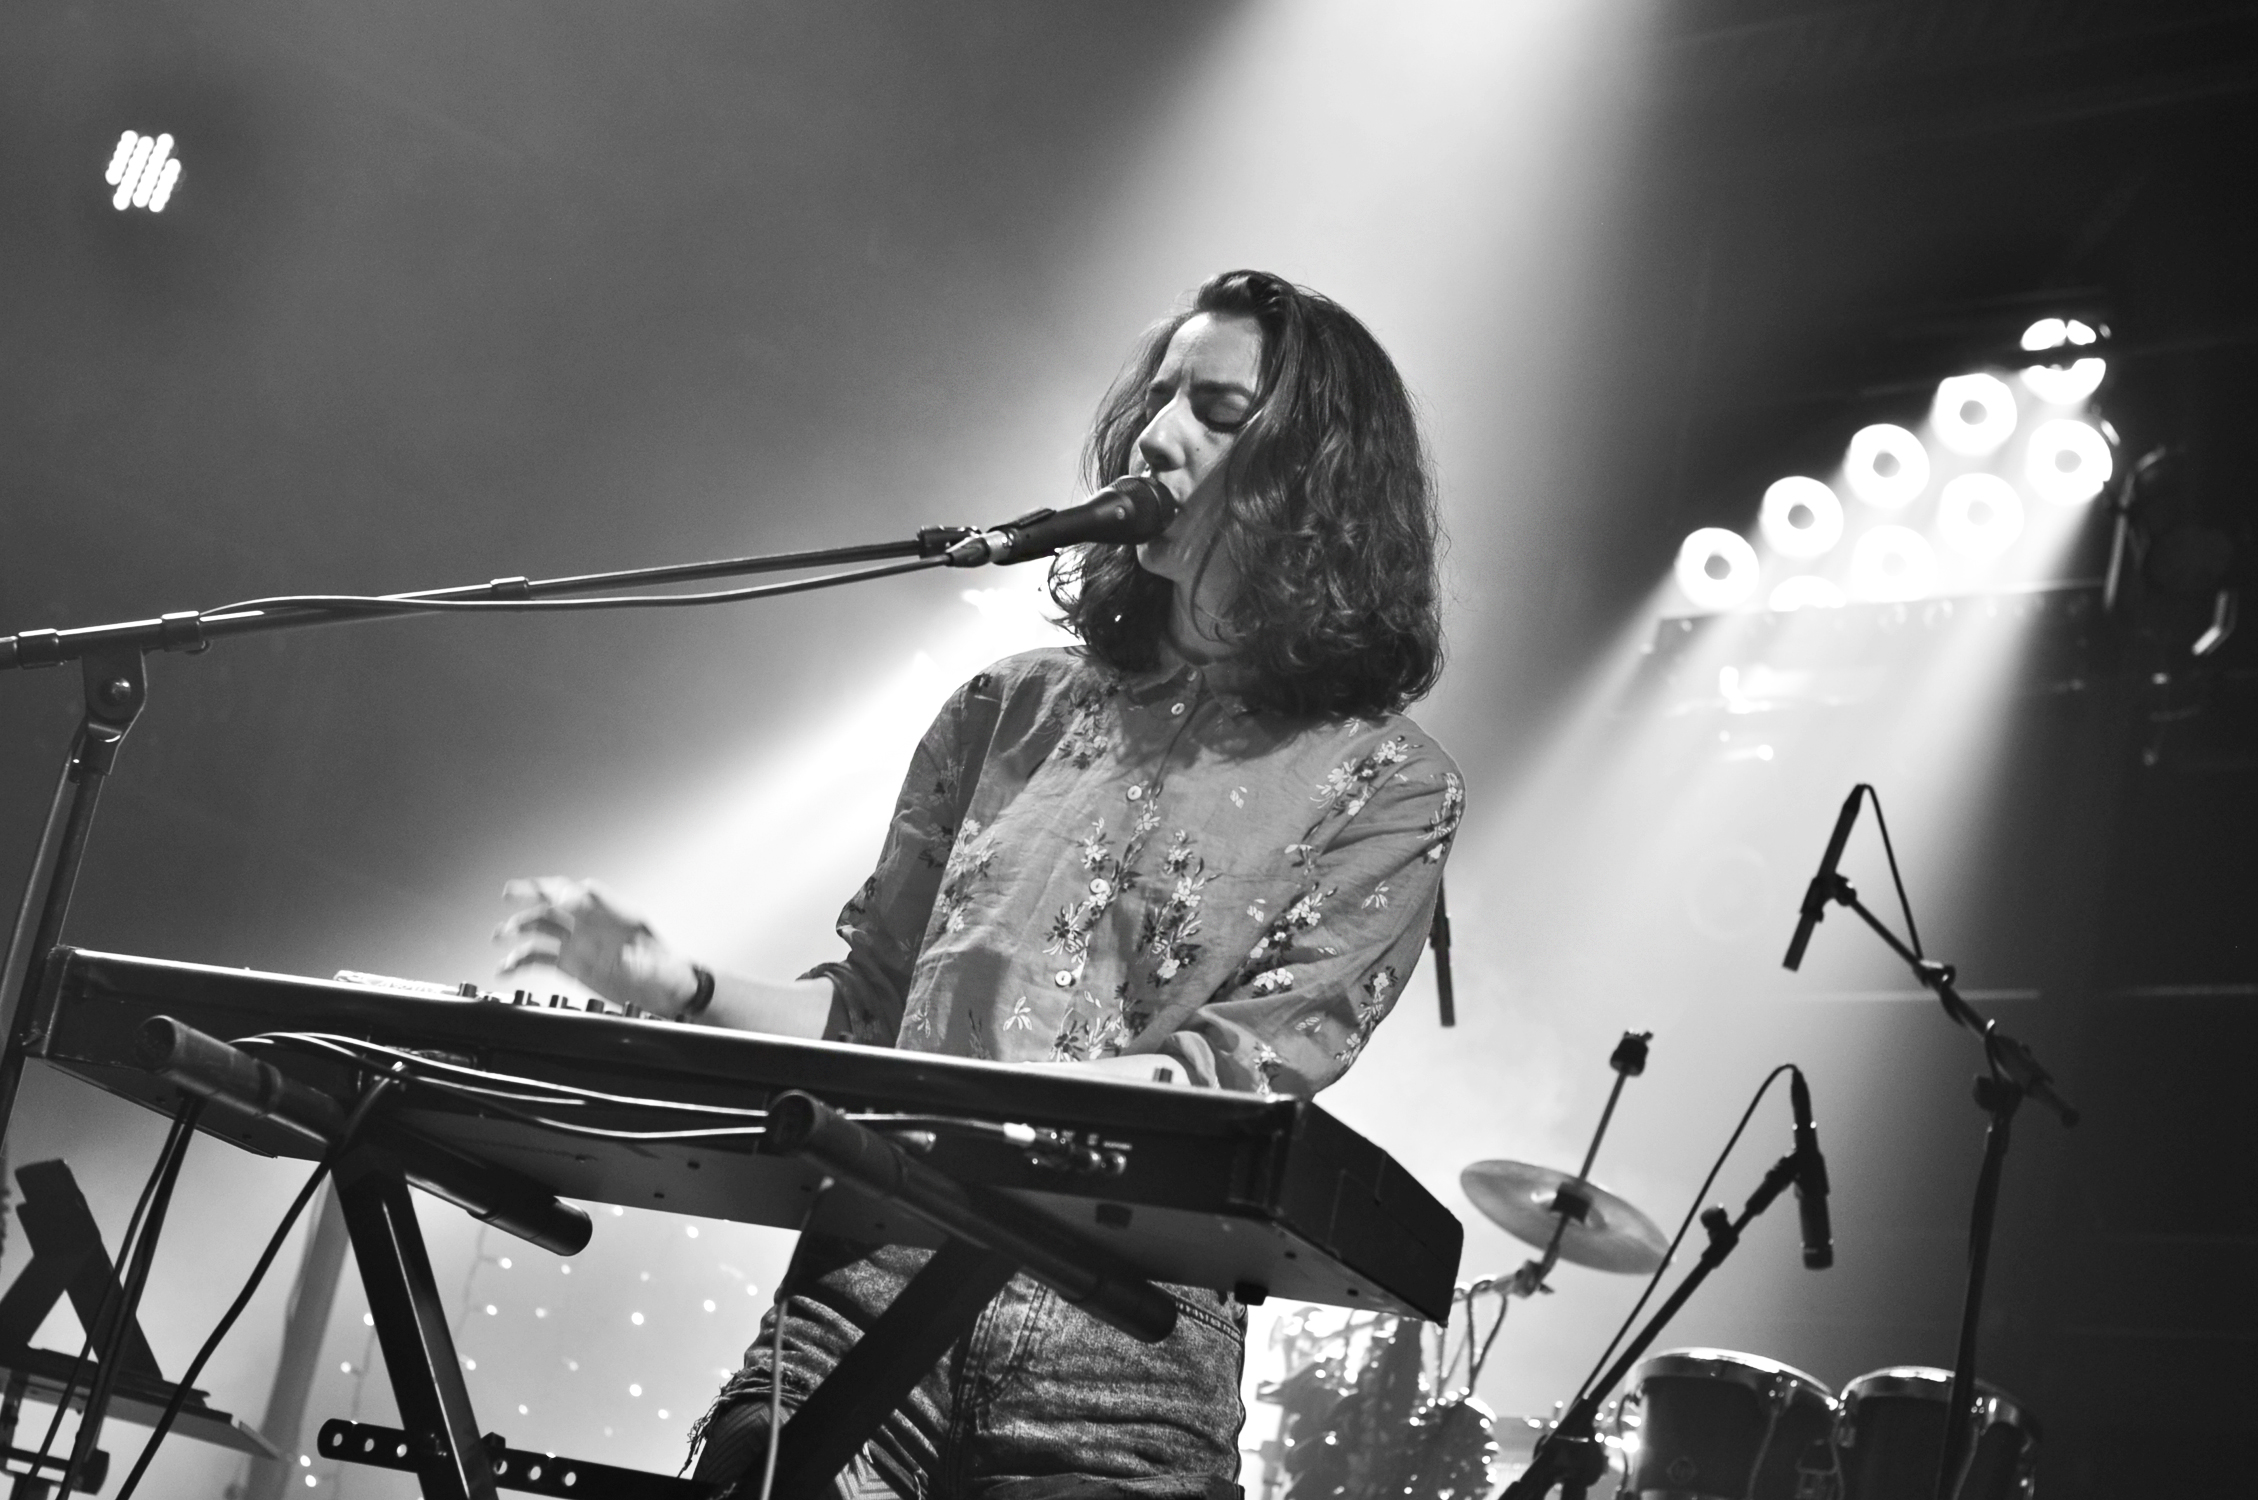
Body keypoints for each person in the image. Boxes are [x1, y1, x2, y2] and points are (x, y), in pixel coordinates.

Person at [496, 269, 1463, 1500]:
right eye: (1156, 397)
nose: (1155, 434)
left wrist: (949, 1110)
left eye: (1216, 411)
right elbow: (871, 1021)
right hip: (865, 1288)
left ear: (1317, 476)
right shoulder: (1006, 709)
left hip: (1122, 1356)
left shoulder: (1386, 783)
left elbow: (1233, 1089)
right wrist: (674, 984)